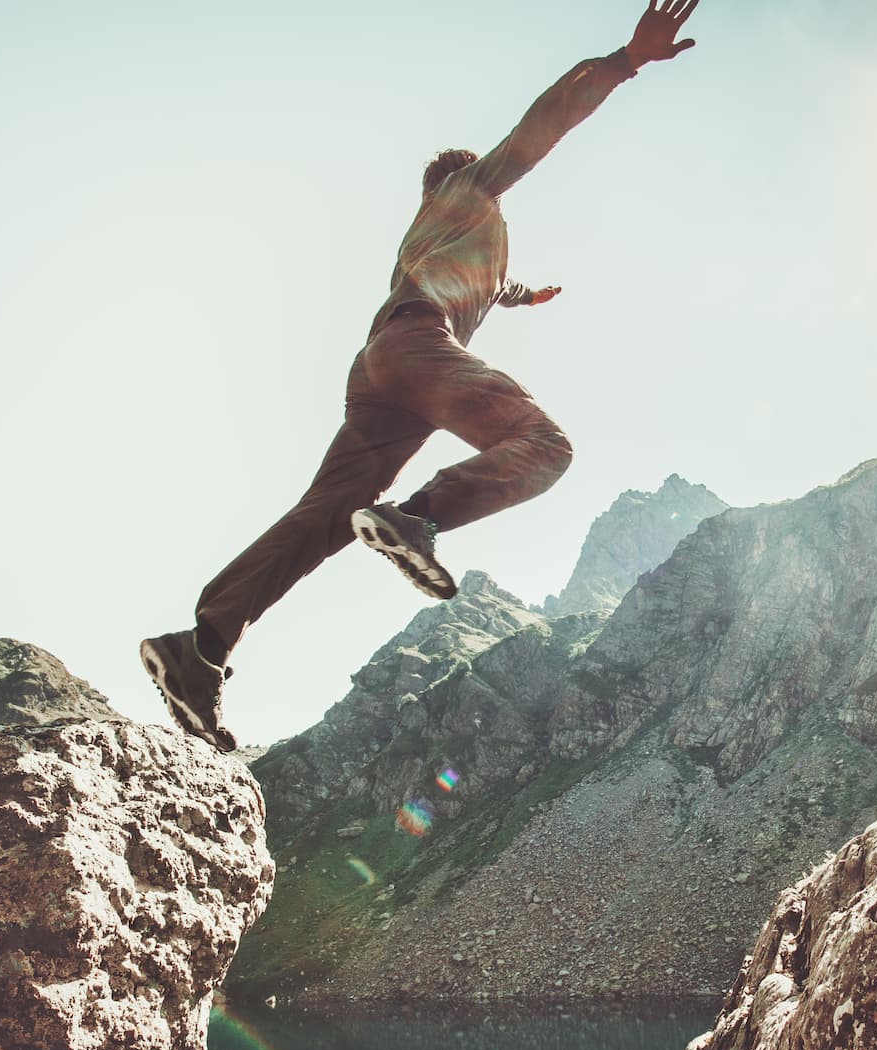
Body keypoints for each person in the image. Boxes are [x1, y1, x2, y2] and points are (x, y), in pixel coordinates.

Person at [141, 0, 701, 751]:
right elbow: (542, 127)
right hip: (416, 349)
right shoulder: (472, 189)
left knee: (326, 515)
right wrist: (626, 61)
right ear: (464, 179)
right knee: (546, 445)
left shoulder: (430, 236)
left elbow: (482, 280)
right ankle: (420, 517)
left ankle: (200, 648)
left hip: (382, 374)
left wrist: (519, 292)